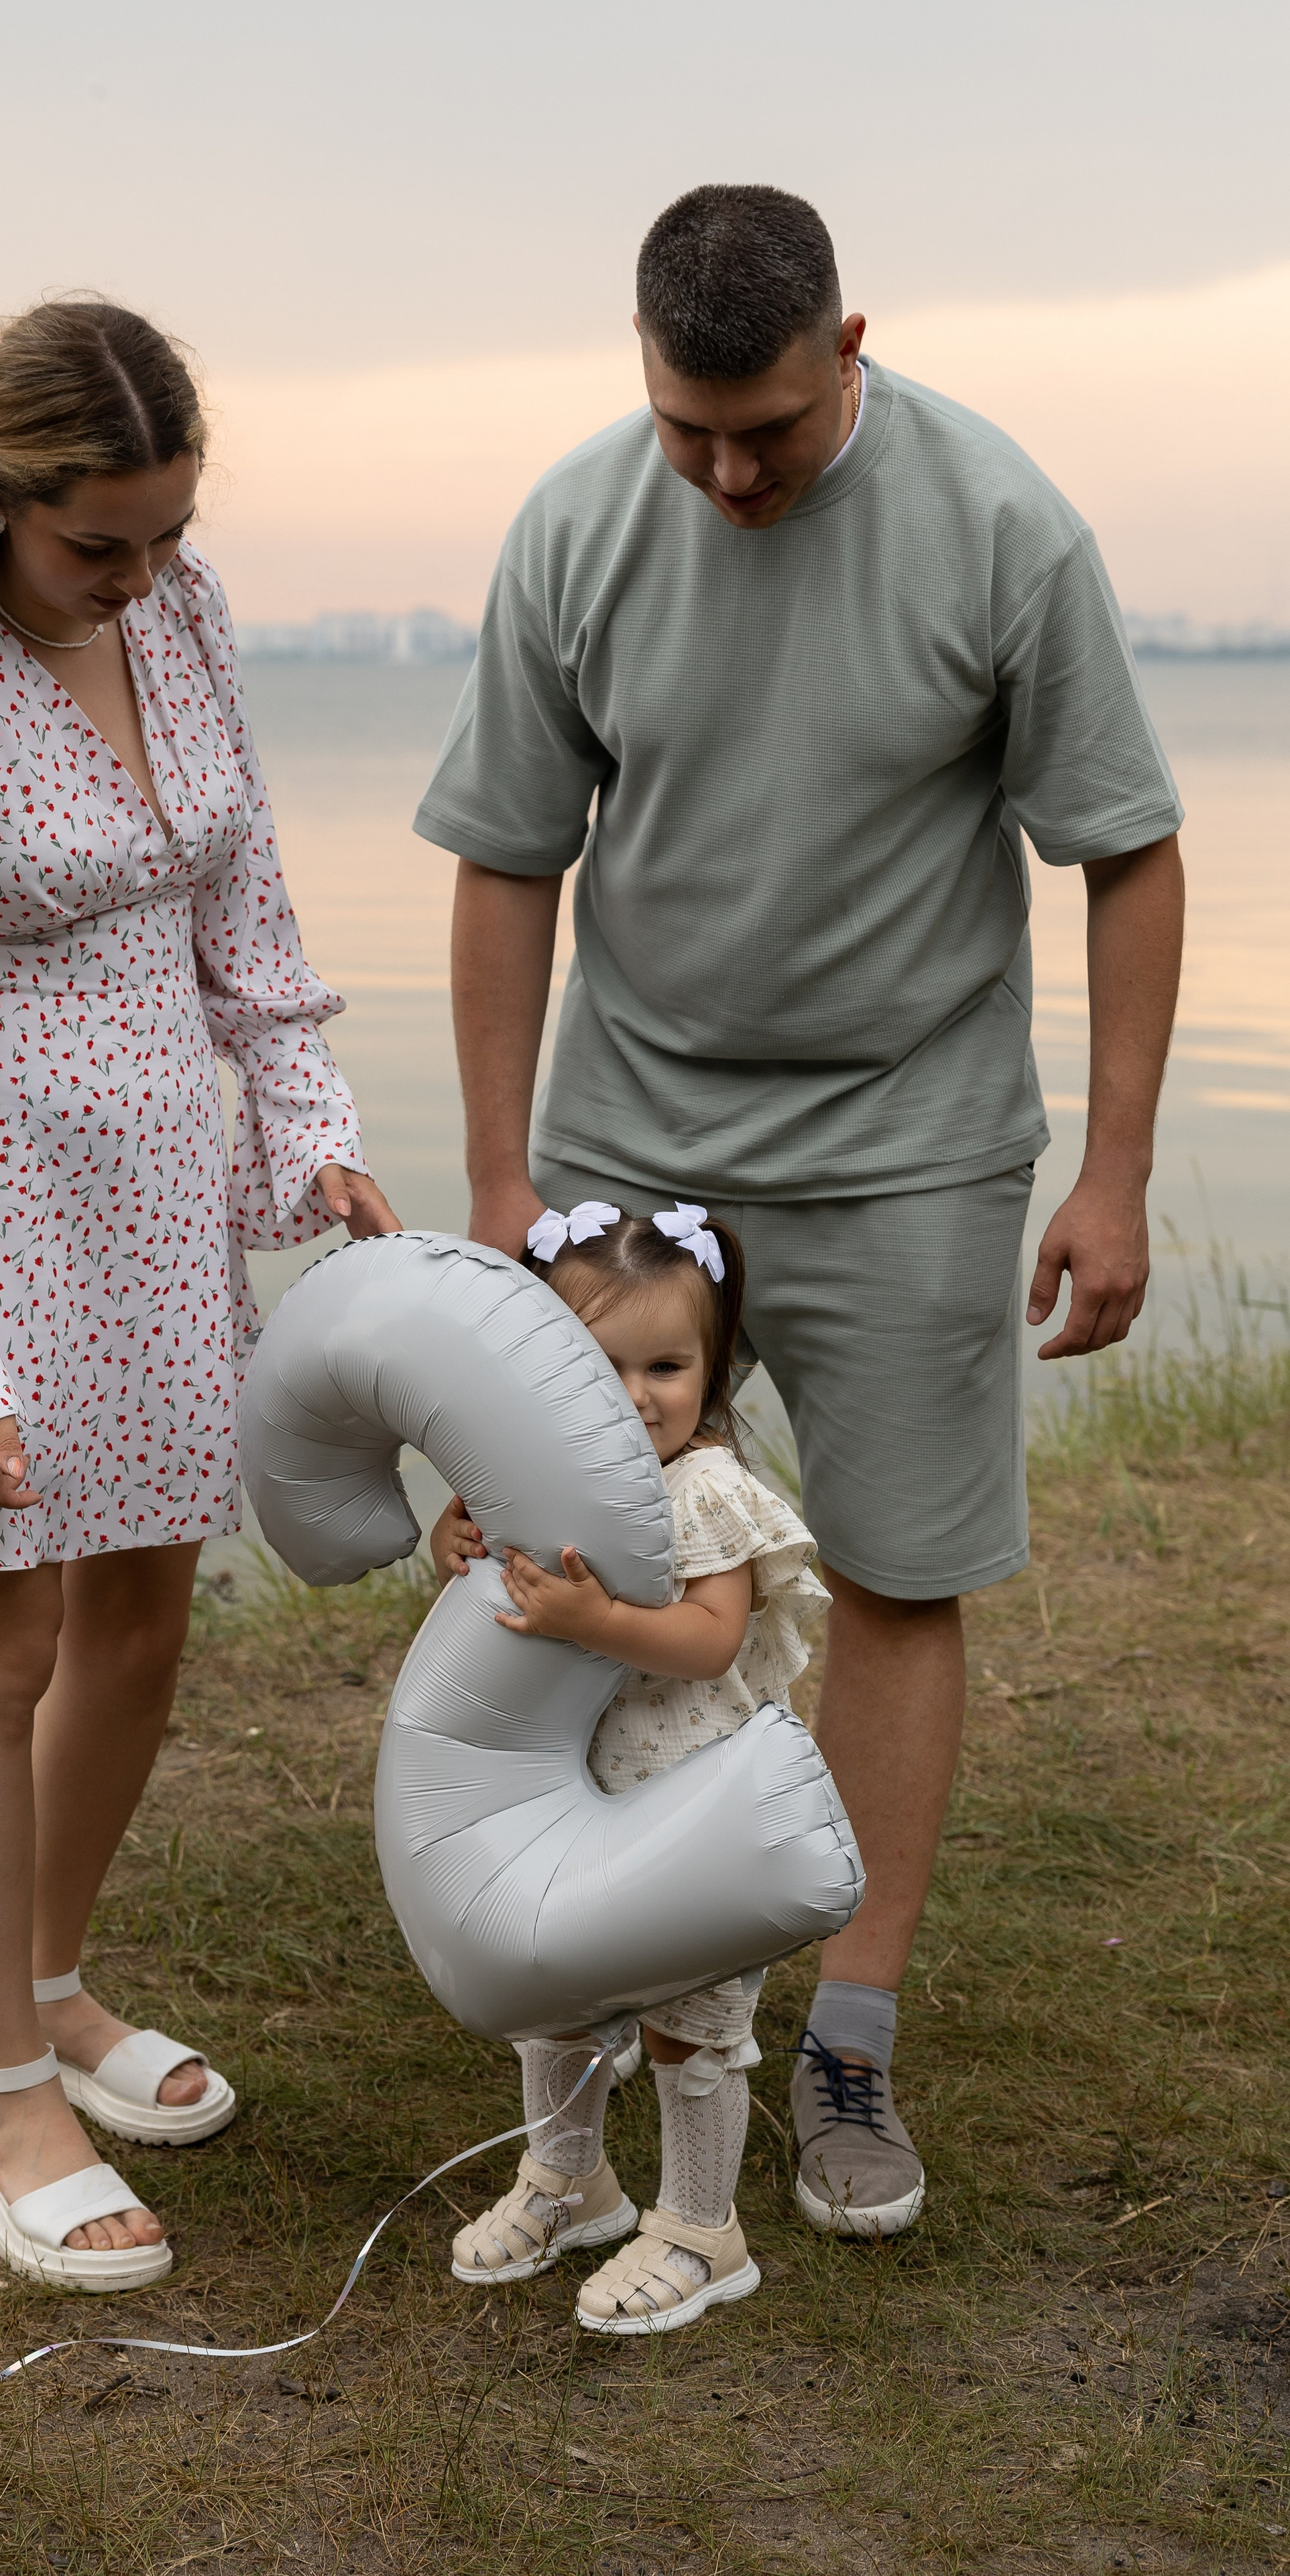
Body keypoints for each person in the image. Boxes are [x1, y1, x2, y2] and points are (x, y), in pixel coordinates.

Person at [414, 186, 1184, 2235]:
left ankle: (846, 2030)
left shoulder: (1004, 527)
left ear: (853, 345)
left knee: (903, 1569)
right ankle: (591, 1983)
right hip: (634, 1122)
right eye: (689, 429)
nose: (729, 473)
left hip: (914, 1130)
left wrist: (1110, 1169)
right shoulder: (580, 524)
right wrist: (507, 1174)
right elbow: (507, 856)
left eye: (765, 425)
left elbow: (1128, 845)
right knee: (577, 1544)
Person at [0, 296, 399, 2291]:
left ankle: (55, 1976)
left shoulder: (182, 615)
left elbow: (253, 915)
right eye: (95, 547)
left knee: (142, 1611)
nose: (137, 578)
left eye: (164, 536)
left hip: (155, 1207)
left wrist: (313, 1124)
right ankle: (0, 2090)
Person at [431, 1203, 829, 2333]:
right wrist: (451, 1543)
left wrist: (599, 1617)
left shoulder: (705, 1490)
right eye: (601, 1364)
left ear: (712, 1374)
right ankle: (572, 2183)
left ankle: (706, 2232)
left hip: (689, 1810)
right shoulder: (538, 1483)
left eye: (667, 1364)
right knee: (557, 1998)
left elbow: (707, 1637)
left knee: (687, 2022)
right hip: (574, 1794)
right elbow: (486, 1605)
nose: (637, 1391)